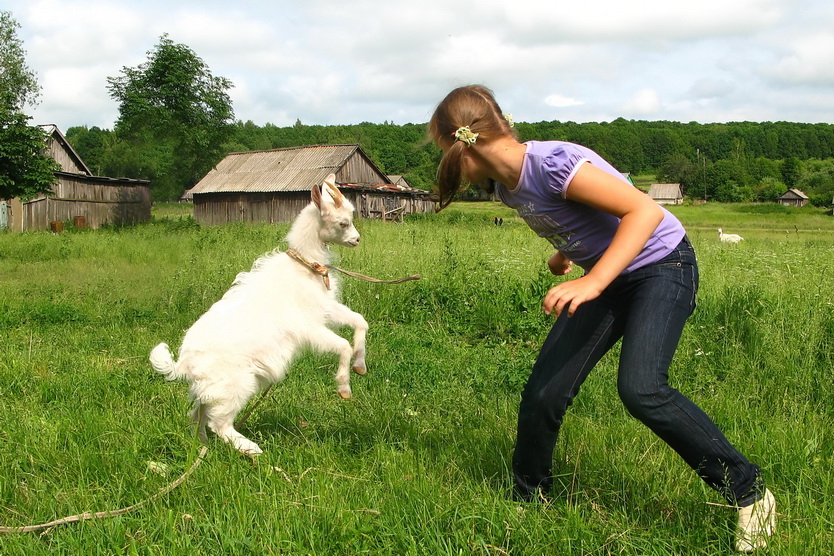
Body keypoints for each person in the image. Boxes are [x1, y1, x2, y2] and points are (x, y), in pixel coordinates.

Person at [428, 85, 776, 553]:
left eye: (443, 153)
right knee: (544, 392)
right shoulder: (503, 188)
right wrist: (563, 254)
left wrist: (593, 283)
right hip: (609, 272)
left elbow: (644, 210)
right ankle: (529, 503)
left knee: (642, 389)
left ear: (461, 143)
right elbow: (582, 219)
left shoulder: (553, 162)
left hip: (663, 266)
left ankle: (750, 494)